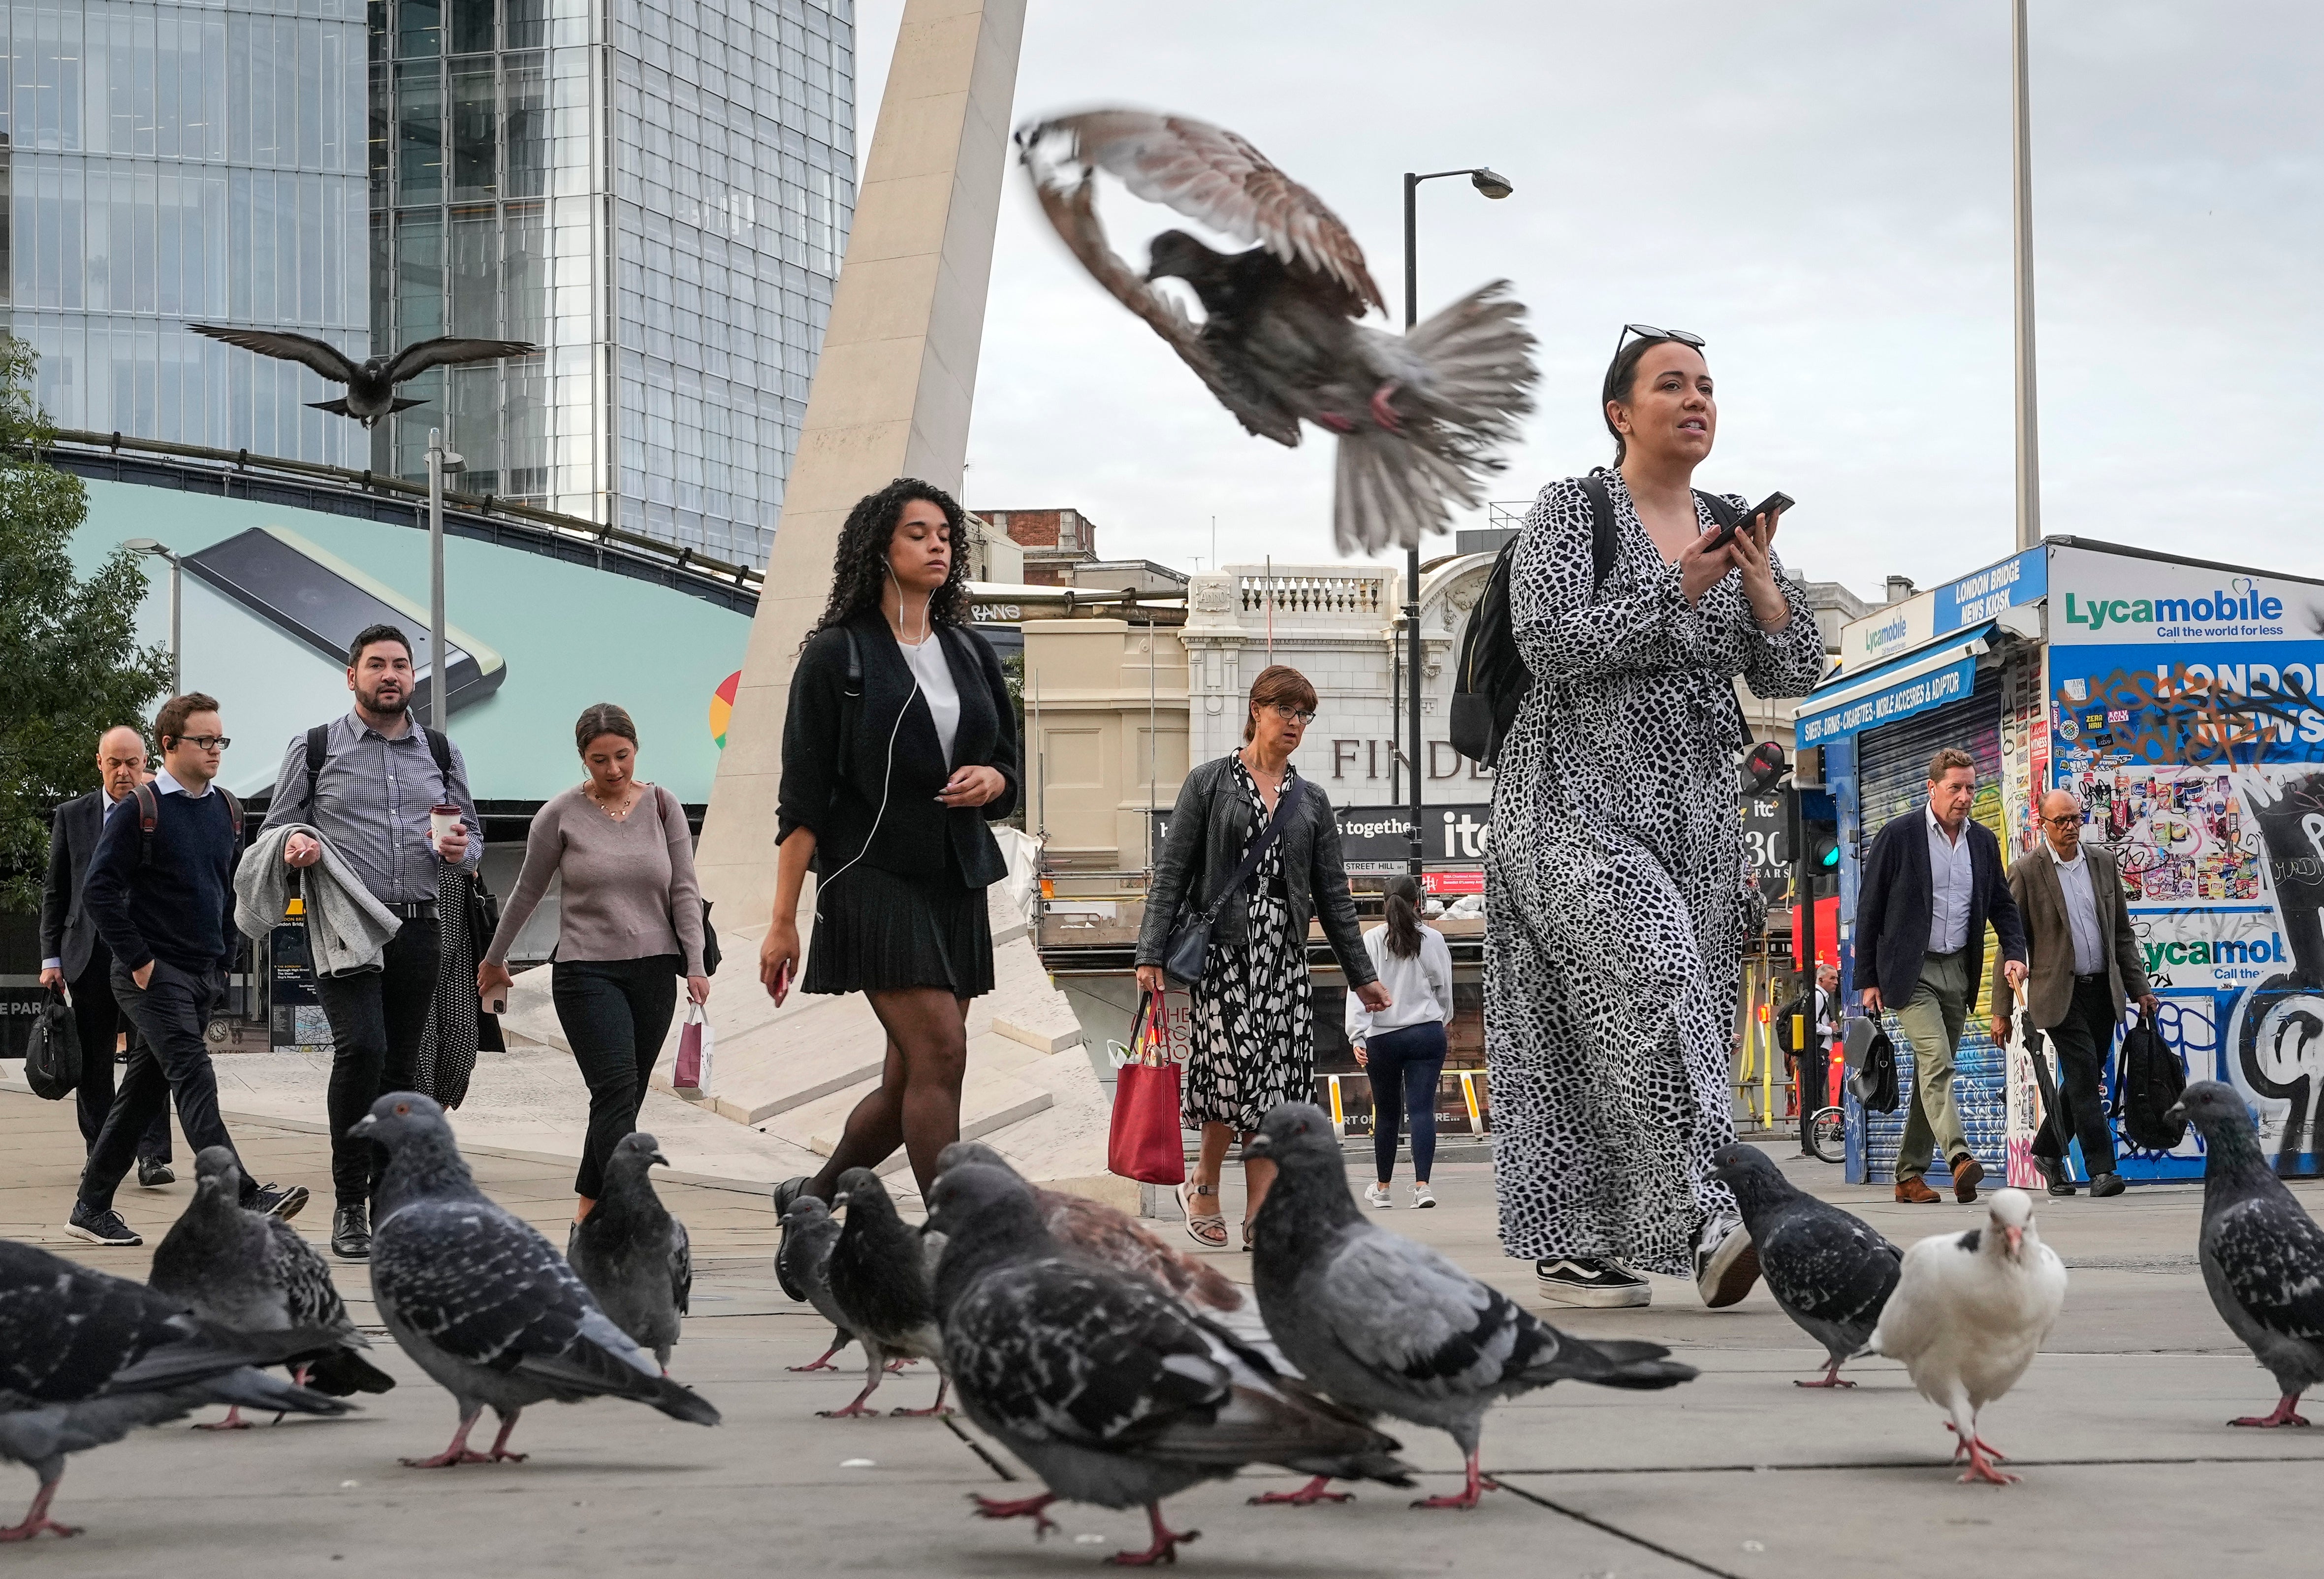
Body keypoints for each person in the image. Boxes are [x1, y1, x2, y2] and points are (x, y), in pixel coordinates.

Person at [1485, 325, 1826, 1310]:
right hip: (1566, 797)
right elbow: (1549, 641)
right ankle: (1720, 1212)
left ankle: (1585, 1245)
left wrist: (1758, 583)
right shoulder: (1570, 510)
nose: (1695, 400)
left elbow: (1791, 672)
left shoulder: (1731, 523)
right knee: (1652, 971)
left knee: (1638, 1019)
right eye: (1670, 384)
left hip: (1691, 814)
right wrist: (1680, 583)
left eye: (1707, 387)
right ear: (1618, 412)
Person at [762, 478, 1019, 1257]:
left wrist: (993, 779)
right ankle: (952, 1244)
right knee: (942, 1050)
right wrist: (781, 921)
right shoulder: (837, 654)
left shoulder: (971, 649)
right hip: (870, 875)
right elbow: (802, 798)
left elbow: (1008, 763)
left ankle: (809, 1201)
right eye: (919, 532)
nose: (938, 544)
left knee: (913, 1076)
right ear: (881, 547)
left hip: (955, 874)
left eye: (946, 533)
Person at [1137, 665, 1389, 1251]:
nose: (1296, 725)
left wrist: (1362, 976)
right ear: (1256, 710)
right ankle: (1202, 1182)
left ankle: (1259, 1213)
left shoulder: (1311, 800)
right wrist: (1149, 950)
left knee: (1274, 1089)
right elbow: (1172, 872)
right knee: (1232, 1074)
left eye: (1305, 716)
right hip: (1223, 951)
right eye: (1286, 712)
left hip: (1283, 956)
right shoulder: (1208, 783)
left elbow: (1334, 895)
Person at [260, 624, 482, 1260]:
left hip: (420, 924)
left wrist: (461, 850)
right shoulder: (316, 747)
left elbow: (474, 846)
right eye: (377, 664)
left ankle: (387, 1203)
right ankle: (350, 1201)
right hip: (343, 924)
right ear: (352, 675)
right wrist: (294, 844)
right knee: (362, 1048)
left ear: (414, 678)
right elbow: (275, 829)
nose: (391, 675)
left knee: (400, 1067)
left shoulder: (440, 751)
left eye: (401, 666)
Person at [67, 695, 304, 1245]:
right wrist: (141, 961)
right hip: (151, 975)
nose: (215, 750)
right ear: (170, 746)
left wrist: (225, 960)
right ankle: (241, 1194)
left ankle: (90, 1207)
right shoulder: (141, 808)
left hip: (201, 973)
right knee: (195, 1076)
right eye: (204, 741)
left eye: (220, 740)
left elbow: (228, 891)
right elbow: (98, 893)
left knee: (143, 1095)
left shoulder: (228, 809)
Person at [478, 704, 708, 1225]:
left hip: (654, 972)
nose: (612, 770)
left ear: (636, 749)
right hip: (587, 972)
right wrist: (495, 959)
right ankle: (630, 1214)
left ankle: (588, 1214)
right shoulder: (559, 815)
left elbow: (684, 890)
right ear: (582, 759)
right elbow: (526, 893)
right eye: (598, 760)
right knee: (613, 1088)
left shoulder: (664, 806)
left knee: (623, 1099)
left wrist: (695, 964)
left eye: (621, 757)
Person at [1855, 746, 2028, 1205]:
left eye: (1971, 787)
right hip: (1910, 972)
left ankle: (1908, 1175)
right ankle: (1959, 1157)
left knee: (1930, 1076)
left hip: (1958, 968)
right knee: (1937, 1061)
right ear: (1931, 788)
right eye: (1956, 787)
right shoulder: (1899, 835)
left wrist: (2014, 951)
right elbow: (1868, 908)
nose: (1966, 796)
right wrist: (1866, 978)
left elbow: (2001, 904)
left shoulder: (1982, 841)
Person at [1991, 788, 2156, 1199]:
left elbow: (2121, 933)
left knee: (2085, 1074)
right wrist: (2001, 1009)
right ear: (2041, 823)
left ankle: (2047, 1148)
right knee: (2083, 1075)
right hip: (2056, 993)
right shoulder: (2026, 871)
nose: (2068, 827)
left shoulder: (2102, 863)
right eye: (2059, 821)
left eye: (2074, 819)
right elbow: (2010, 943)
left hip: (2102, 988)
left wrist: (2140, 989)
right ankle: (2102, 1169)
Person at [39, 725, 174, 1182]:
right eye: (114, 762)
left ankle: (152, 1156)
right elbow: (56, 891)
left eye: (132, 763)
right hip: (87, 955)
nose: (123, 771)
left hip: (146, 953)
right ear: (99, 762)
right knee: (94, 1061)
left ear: (144, 763)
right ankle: (98, 1152)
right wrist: (50, 958)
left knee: (150, 1053)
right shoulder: (72, 815)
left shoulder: (160, 811)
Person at [1348, 874, 1454, 1209]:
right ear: (1416, 903)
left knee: (1387, 1113)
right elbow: (1445, 989)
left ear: (1384, 903)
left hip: (1383, 1037)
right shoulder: (1433, 939)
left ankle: (1382, 1188)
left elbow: (1360, 988)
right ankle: (1423, 1186)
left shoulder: (1372, 939)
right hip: (1425, 1033)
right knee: (1422, 1109)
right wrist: (1440, 1019)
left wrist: (1357, 1034)